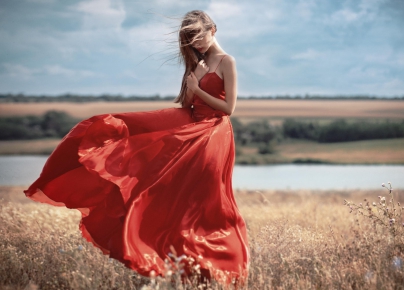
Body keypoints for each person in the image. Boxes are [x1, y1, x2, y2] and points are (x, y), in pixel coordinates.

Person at [24, 10, 249, 285]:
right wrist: (194, 79)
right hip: (192, 128)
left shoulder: (228, 61)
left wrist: (198, 87)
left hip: (214, 134)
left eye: (199, 35)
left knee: (209, 200)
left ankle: (228, 267)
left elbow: (229, 108)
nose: (196, 43)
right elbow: (187, 105)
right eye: (190, 39)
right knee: (175, 197)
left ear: (212, 28)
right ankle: (190, 266)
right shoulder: (198, 63)